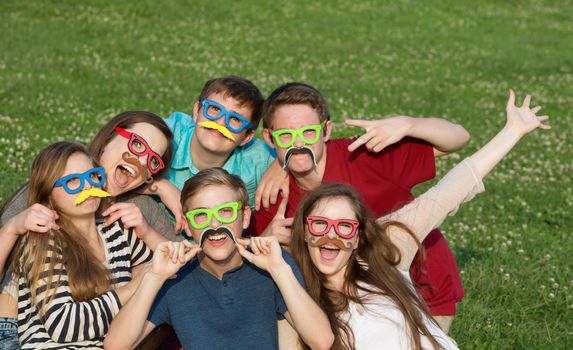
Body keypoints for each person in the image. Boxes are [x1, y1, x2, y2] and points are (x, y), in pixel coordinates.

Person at [288, 90, 549, 349]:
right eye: (320, 224)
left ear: (358, 237)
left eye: (344, 226)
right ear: (304, 232)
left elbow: (449, 191)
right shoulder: (300, 296)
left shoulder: (383, 254)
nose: (330, 235)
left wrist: (513, 131)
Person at [252, 82, 470, 330]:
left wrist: (409, 124)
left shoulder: (365, 155)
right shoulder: (271, 196)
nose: (299, 143)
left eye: (309, 132)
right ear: (269, 138)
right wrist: (267, 240)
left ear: (326, 131)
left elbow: (458, 138)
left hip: (420, 294)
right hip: (345, 306)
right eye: (286, 135)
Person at [103, 168, 334, 350]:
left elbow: (321, 341)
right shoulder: (175, 277)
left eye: (225, 212)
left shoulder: (270, 263)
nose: (214, 226)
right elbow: (116, 345)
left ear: (244, 217)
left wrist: (280, 271)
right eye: (201, 215)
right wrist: (154, 277)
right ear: (187, 223)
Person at [0, 111, 176, 348]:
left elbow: (178, 266)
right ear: (107, 140)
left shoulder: (132, 216)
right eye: (137, 144)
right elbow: (63, 324)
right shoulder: (42, 219)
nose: (142, 161)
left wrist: (158, 195)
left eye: (153, 161)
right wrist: (12, 228)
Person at [163, 76, 285, 207]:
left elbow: (303, 153)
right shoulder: (169, 133)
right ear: (197, 111)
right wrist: (160, 185)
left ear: (246, 137)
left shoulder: (258, 159)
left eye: (235, 119)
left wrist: (282, 165)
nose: (220, 123)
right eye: (215, 109)